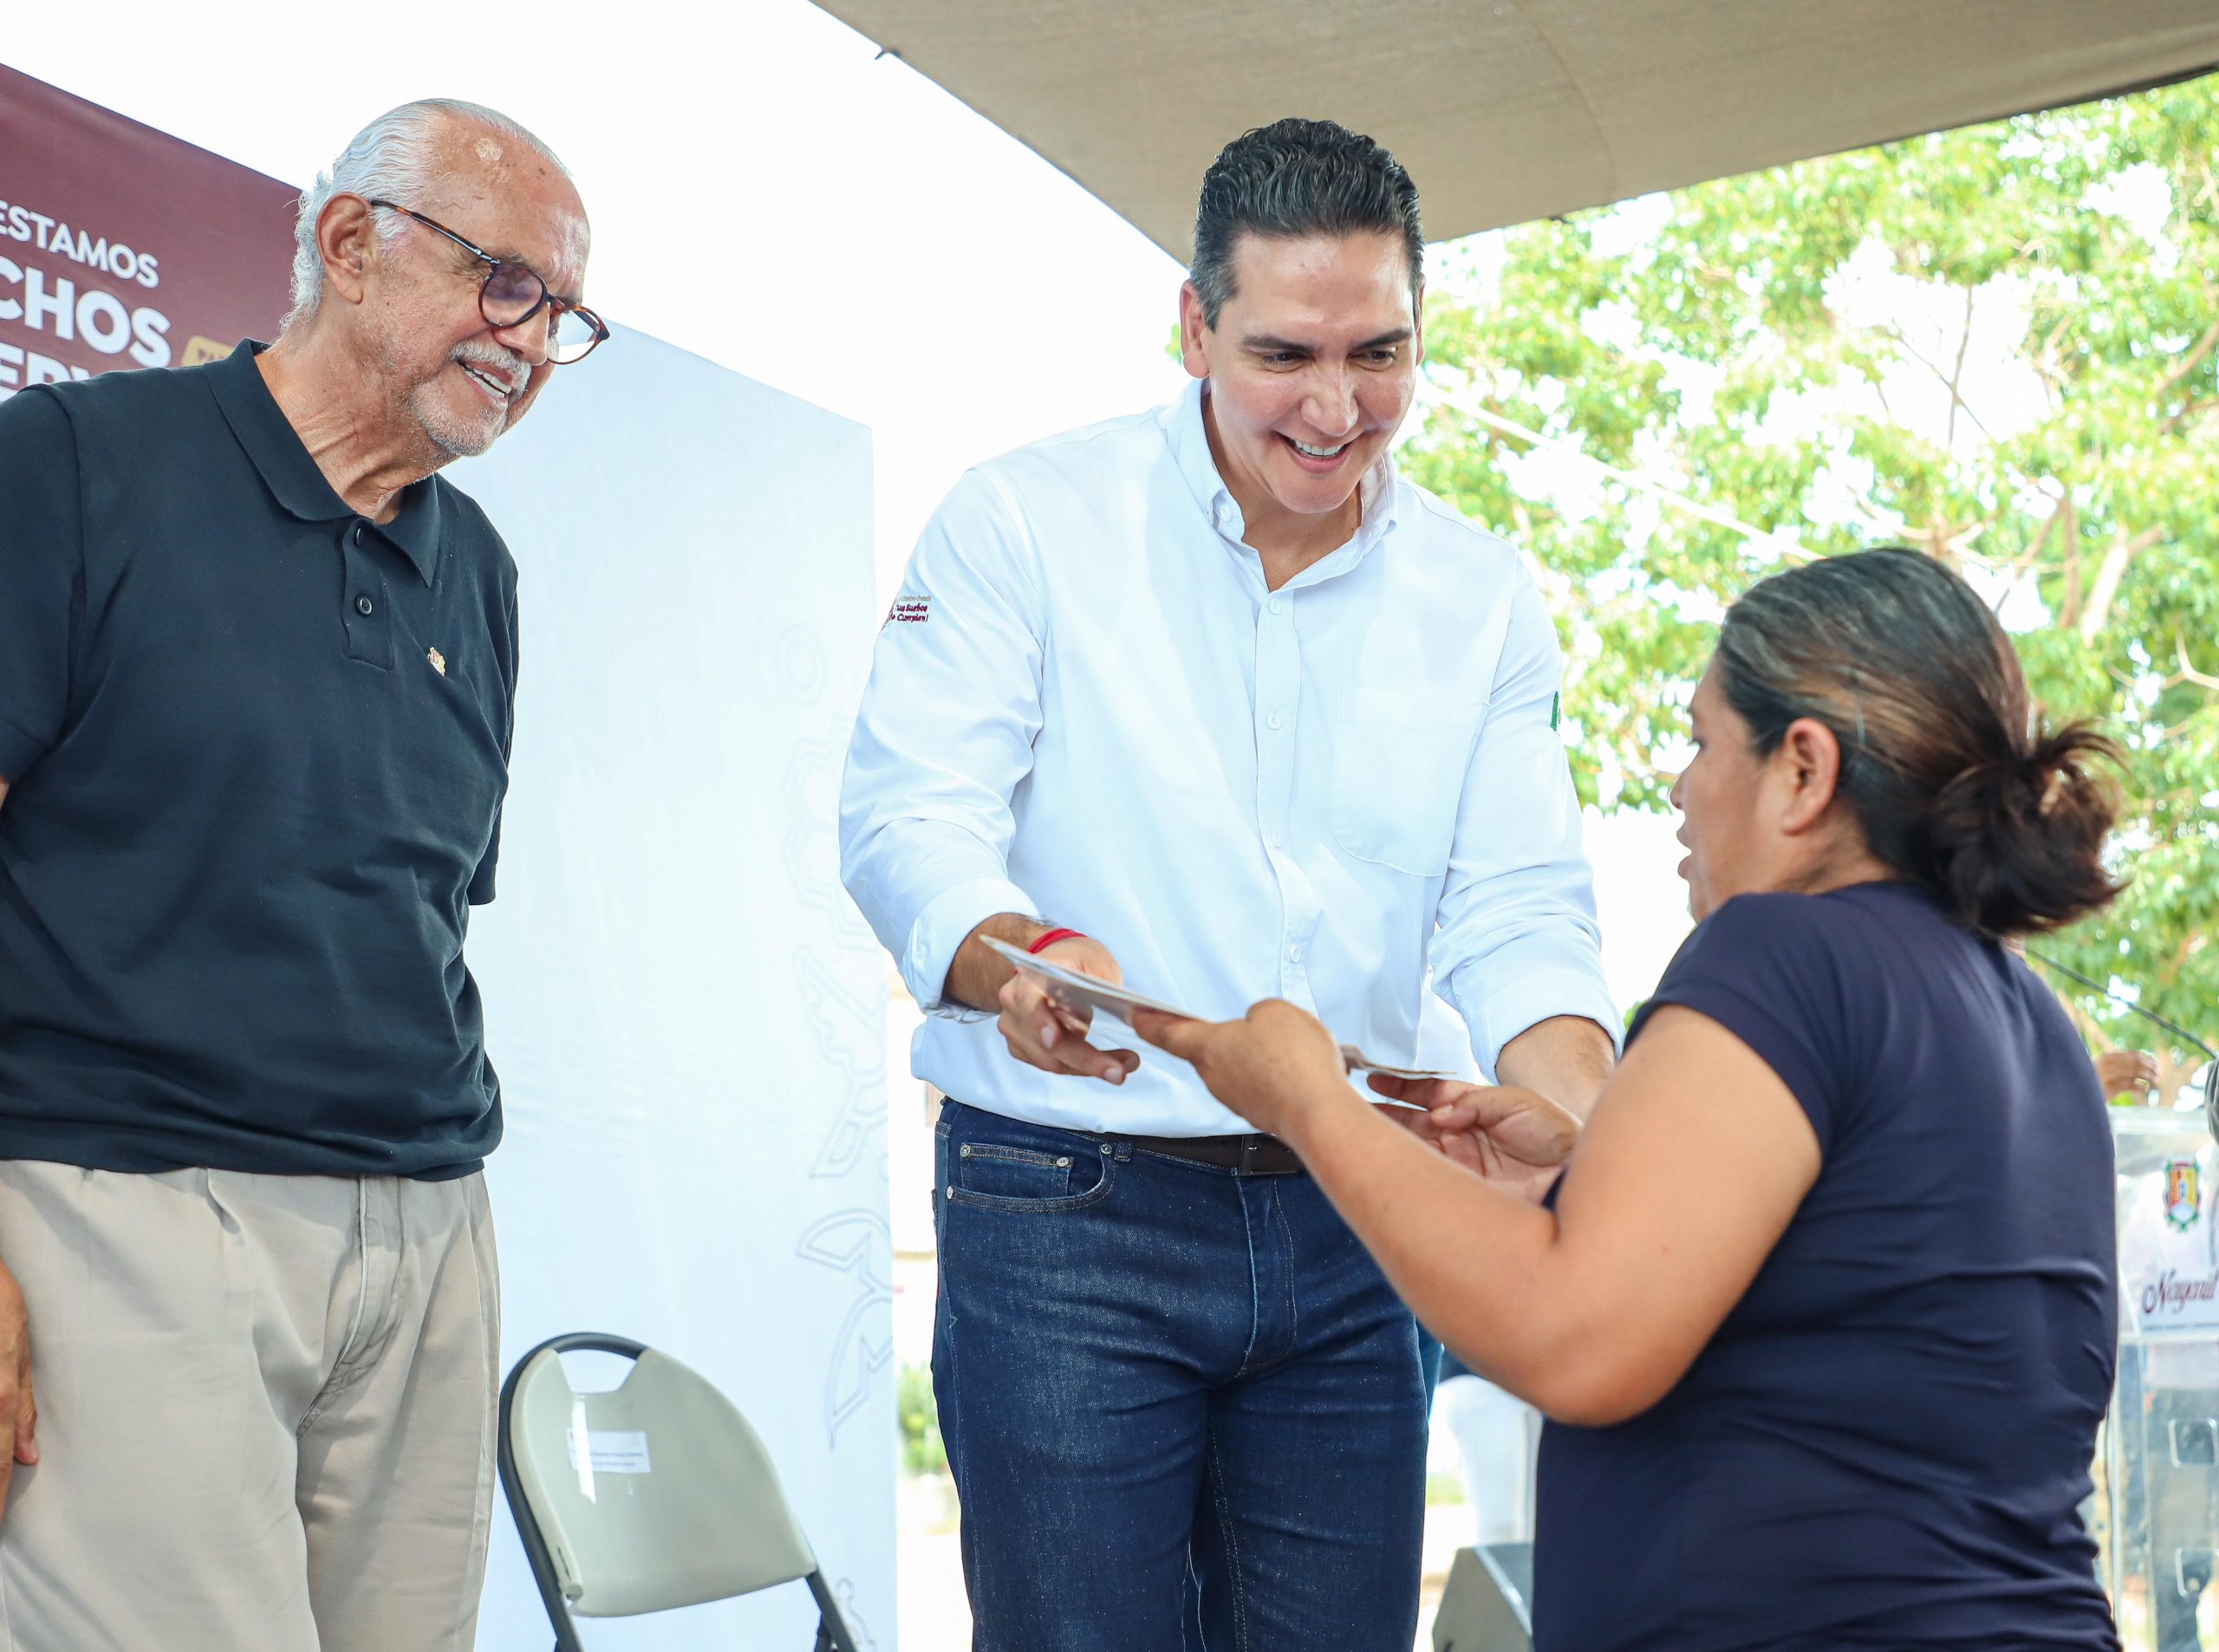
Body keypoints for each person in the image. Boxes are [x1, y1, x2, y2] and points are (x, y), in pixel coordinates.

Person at [840, 118, 1617, 1649]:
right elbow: (907, 820)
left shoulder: (1482, 595)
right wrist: (1020, 962)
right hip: (1069, 1203)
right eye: (1285, 354)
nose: (1339, 409)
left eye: (1380, 353)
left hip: (1360, 1214)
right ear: (1192, 328)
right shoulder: (1023, 522)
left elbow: (1521, 908)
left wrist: (1574, 1105)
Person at [1139, 547, 2125, 1650]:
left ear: (1802, 769)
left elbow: (1577, 1343)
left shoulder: (1783, 954)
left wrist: (1309, 1103)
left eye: (1701, 742)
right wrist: (1581, 1189)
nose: (1677, 787)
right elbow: (1848, 1311)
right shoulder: (2021, 1010)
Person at [0, 100, 602, 1652]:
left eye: (563, 314)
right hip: (126, 1220)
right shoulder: (67, 465)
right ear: (350, 242)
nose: (530, 343)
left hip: (426, 1237)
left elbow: (426, 912)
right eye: (505, 283)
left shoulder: (481, 571)